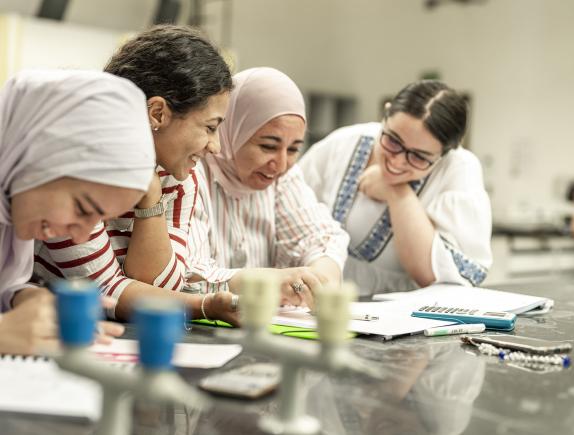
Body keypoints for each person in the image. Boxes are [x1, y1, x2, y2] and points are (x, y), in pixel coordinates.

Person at [33, 25, 239, 324]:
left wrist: (150, 201)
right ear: (157, 113)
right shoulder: (70, 167)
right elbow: (104, 291)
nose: (216, 146)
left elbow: (162, 285)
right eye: (209, 127)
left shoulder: (178, 175)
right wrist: (206, 306)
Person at [0, 69, 156, 355]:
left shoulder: (11, 197)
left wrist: (30, 302)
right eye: (83, 209)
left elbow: (4, 286)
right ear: (41, 157)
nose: (81, 234)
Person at [299, 80, 492, 296]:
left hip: (404, 316)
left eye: (418, 156)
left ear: (443, 154)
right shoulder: (343, 143)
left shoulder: (458, 168)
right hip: (323, 302)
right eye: (393, 141)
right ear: (386, 114)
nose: (398, 162)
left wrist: (397, 193)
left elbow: (434, 275)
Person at [187, 67, 350, 310]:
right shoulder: (191, 169)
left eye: (294, 149)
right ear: (232, 129)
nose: (282, 163)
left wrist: (320, 278)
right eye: (267, 146)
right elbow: (187, 275)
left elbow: (321, 238)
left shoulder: (281, 177)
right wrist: (270, 282)